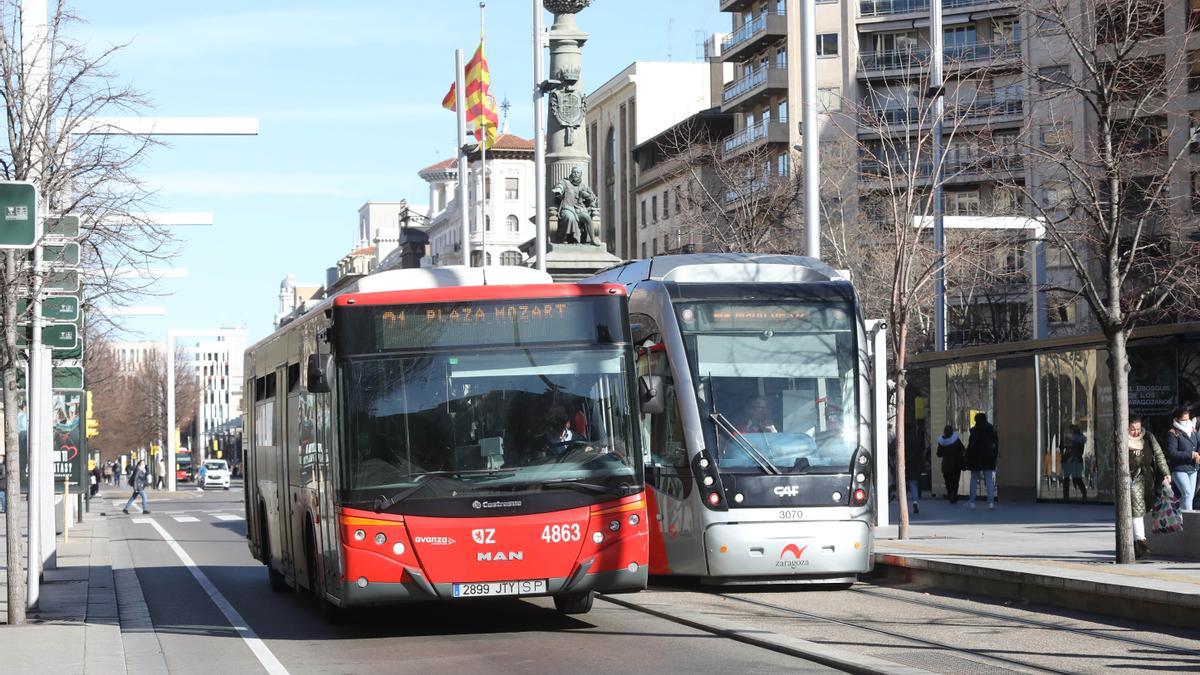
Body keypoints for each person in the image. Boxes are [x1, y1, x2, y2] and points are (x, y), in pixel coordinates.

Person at [1128, 416, 1172, 559]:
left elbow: (1159, 455)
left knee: (1144, 509)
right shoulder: (1121, 439)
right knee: (1137, 509)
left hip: (1148, 479)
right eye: (1132, 429)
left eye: (1138, 429)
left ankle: (1136, 543)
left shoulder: (1148, 437)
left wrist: (1166, 472)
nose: (1136, 432)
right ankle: (1141, 542)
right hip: (1132, 479)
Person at [1164, 406, 1199, 512]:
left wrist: (1198, 455)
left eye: (1188, 419)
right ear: (1176, 419)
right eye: (1184, 420)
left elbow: (1198, 445)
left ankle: (1183, 518)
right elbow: (1172, 453)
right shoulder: (1172, 433)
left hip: (1192, 468)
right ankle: (1189, 519)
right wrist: (1191, 455)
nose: (1187, 422)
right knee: (1187, 494)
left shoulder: (1192, 430)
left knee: (1189, 496)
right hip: (1179, 469)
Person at [965, 412, 999, 509]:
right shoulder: (991, 429)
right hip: (988, 458)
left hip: (975, 458)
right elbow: (995, 443)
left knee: (974, 479)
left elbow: (971, 446)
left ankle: (972, 502)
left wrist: (967, 457)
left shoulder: (974, 431)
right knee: (989, 480)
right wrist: (994, 456)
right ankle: (991, 503)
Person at [936, 425, 966, 504]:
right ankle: (954, 495)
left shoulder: (941, 442)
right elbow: (962, 449)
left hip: (946, 464)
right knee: (955, 481)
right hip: (956, 464)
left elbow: (938, 454)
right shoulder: (956, 440)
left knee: (948, 481)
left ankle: (950, 493)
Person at [1062, 424, 1088, 501]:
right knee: (1075, 478)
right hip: (1073, 460)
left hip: (1072, 460)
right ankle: (1083, 493)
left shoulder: (1075, 438)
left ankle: (1066, 496)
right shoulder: (1079, 438)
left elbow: (1072, 450)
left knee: (1071, 479)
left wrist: (1069, 457)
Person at [905, 433, 924, 514]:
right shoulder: (916, 440)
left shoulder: (902, 439)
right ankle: (915, 501)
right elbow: (921, 453)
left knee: (903, 483)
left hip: (905, 463)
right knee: (913, 483)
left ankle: (903, 501)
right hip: (915, 464)